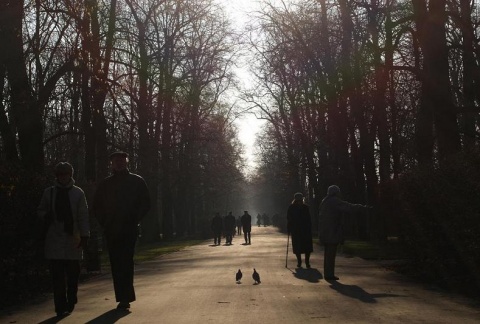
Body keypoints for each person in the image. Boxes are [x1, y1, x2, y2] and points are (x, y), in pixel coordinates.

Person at [93, 151, 150, 310]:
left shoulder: (137, 181)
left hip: (129, 228)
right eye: (116, 161)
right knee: (116, 263)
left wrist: (134, 219)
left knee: (126, 261)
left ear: (127, 162)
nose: (119, 163)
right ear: (112, 163)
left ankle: (125, 298)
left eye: (122, 160)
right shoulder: (106, 184)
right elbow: (97, 206)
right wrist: (105, 222)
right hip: (111, 229)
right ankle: (122, 297)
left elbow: (146, 203)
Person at [37, 162, 89, 317]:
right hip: (54, 238)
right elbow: (40, 210)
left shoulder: (78, 193)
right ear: (57, 176)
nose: (63, 177)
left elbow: (83, 215)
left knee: (73, 274)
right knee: (57, 276)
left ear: (70, 175)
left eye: (65, 174)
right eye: (60, 174)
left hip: (73, 238)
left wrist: (85, 235)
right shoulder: (49, 192)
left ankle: (71, 296)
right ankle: (60, 306)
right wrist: (46, 216)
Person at [319, 185, 371, 280]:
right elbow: (347, 206)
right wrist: (362, 207)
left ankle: (328, 273)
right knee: (331, 254)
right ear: (336, 192)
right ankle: (329, 275)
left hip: (325, 230)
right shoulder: (334, 201)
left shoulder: (325, 201)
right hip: (332, 230)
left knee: (328, 254)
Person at [287, 192, 313, 268]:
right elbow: (289, 219)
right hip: (297, 229)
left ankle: (306, 262)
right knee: (299, 246)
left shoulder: (305, 207)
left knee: (306, 247)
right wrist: (289, 228)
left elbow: (308, 219)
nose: (299, 201)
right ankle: (300, 261)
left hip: (304, 229)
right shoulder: (292, 207)